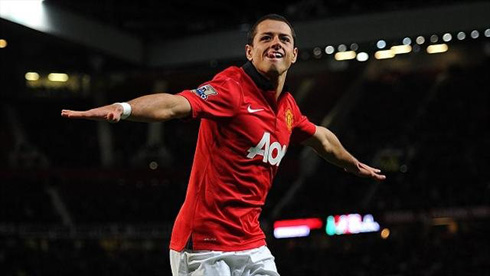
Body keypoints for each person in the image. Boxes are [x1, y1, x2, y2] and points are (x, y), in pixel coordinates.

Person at [62, 14, 386, 276]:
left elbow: (321, 138)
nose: (276, 43)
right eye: (266, 37)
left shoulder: (287, 108)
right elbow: (175, 104)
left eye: (283, 39)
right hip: (203, 248)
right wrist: (125, 107)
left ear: (294, 54)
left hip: (252, 244)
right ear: (250, 51)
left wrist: (351, 163)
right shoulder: (231, 89)